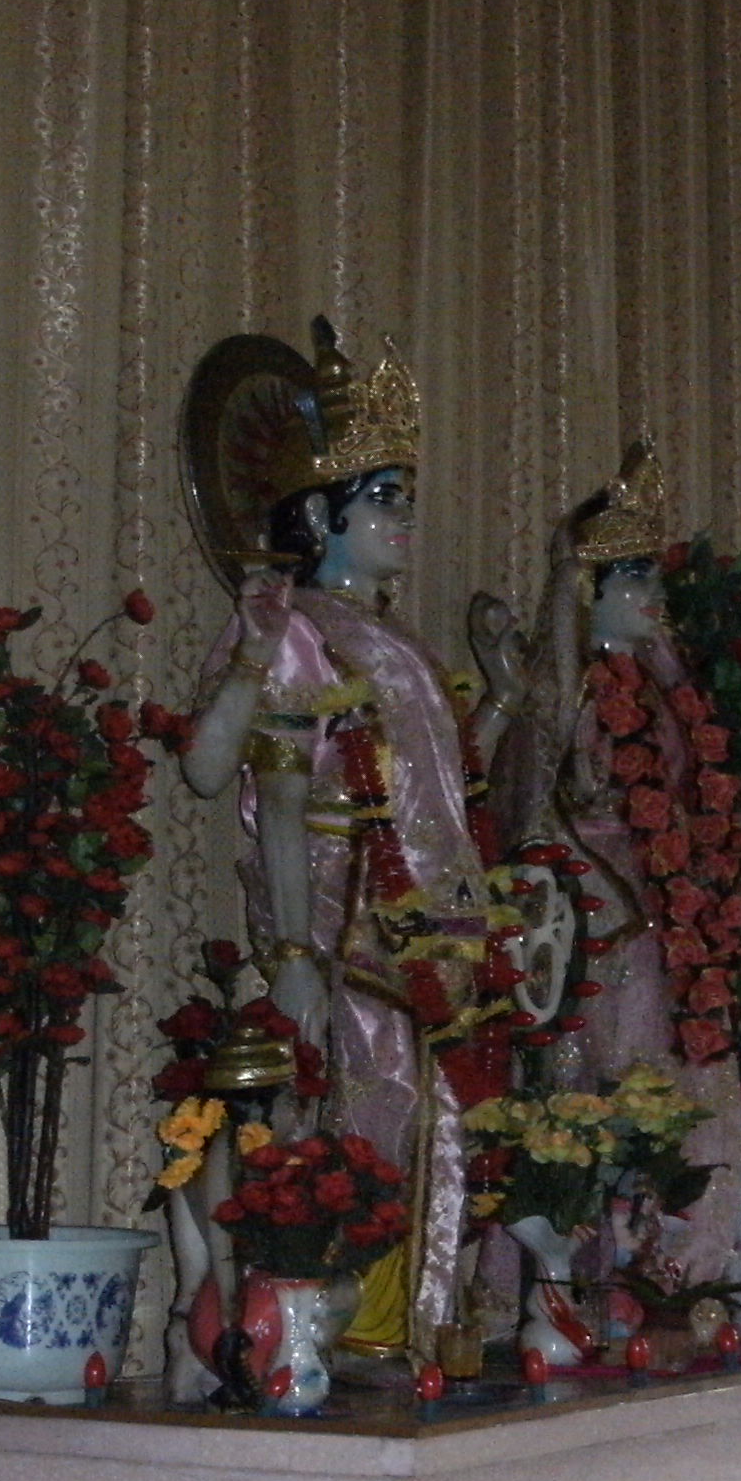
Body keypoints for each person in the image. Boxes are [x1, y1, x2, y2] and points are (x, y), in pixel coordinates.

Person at [178, 321, 515, 1364]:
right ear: (320, 514)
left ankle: (416, 1328)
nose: (404, 519)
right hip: (338, 918)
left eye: (407, 496)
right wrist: (289, 958)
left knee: (441, 1128)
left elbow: (444, 793)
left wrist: (499, 697)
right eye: (383, 499)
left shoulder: (396, 642)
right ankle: (343, 1336)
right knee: (374, 1111)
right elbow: (227, 778)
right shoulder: (295, 628)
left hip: (433, 925)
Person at [488, 441, 741, 1289]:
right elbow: (528, 812)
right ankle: (587, 1277)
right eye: (631, 579)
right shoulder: (563, 693)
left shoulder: (670, 691)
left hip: (669, 926)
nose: (652, 597)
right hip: (601, 929)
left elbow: (693, 804)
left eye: (652, 578)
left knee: (672, 1087)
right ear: (588, 593)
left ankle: (671, 1271)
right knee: (597, 1092)